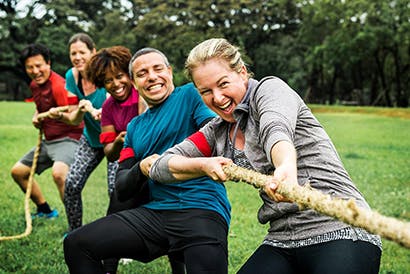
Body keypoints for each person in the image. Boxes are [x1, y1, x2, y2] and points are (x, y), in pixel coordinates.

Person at [149, 38, 382, 274]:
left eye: (223, 84)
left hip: (340, 226)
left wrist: (285, 168)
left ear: (241, 73)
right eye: (206, 91)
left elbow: (276, 130)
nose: (217, 98)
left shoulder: (269, 90)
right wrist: (203, 164)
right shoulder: (216, 132)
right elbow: (161, 166)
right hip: (282, 239)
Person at [64, 47, 230, 274]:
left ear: (170, 72)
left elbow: (215, 135)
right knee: (76, 244)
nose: (151, 76)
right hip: (155, 215)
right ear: (134, 82)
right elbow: (122, 187)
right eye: (142, 73)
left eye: (157, 69)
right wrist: (141, 168)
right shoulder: (134, 127)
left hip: (201, 209)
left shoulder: (191, 95)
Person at [85, 45, 149, 274]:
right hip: (128, 163)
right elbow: (109, 152)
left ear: (129, 74)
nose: (116, 84)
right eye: (108, 80)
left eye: (119, 76)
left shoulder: (143, 93)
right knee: (117, 210)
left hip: (157, 162)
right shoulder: (108, 107)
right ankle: (109, 268)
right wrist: (121, 140)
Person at [10, 43, 83, 219]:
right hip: (48, 141)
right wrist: (38, 115)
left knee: (59, 173)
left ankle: (74, 225)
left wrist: (56, 115)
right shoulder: (35, 85)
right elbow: (41, 106)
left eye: (39, 65)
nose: (35, 71)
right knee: (18, 172)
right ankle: (45, 210)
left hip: (68, 138)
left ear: (48, 63)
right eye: (30, 67)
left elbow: (75, 116)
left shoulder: (60, 85)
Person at [62, 33, 115, 232]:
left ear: (93, 52)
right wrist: (79, 110)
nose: (77, 57)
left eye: (82, 52)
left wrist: (107, 113)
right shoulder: (71, 76)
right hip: (92, 139)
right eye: (73, 53)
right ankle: (74, 233)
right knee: (72, 184)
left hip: (115, 140)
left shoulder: (106, 73)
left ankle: (123, 241)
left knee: (116, 191)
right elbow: (72, 119)